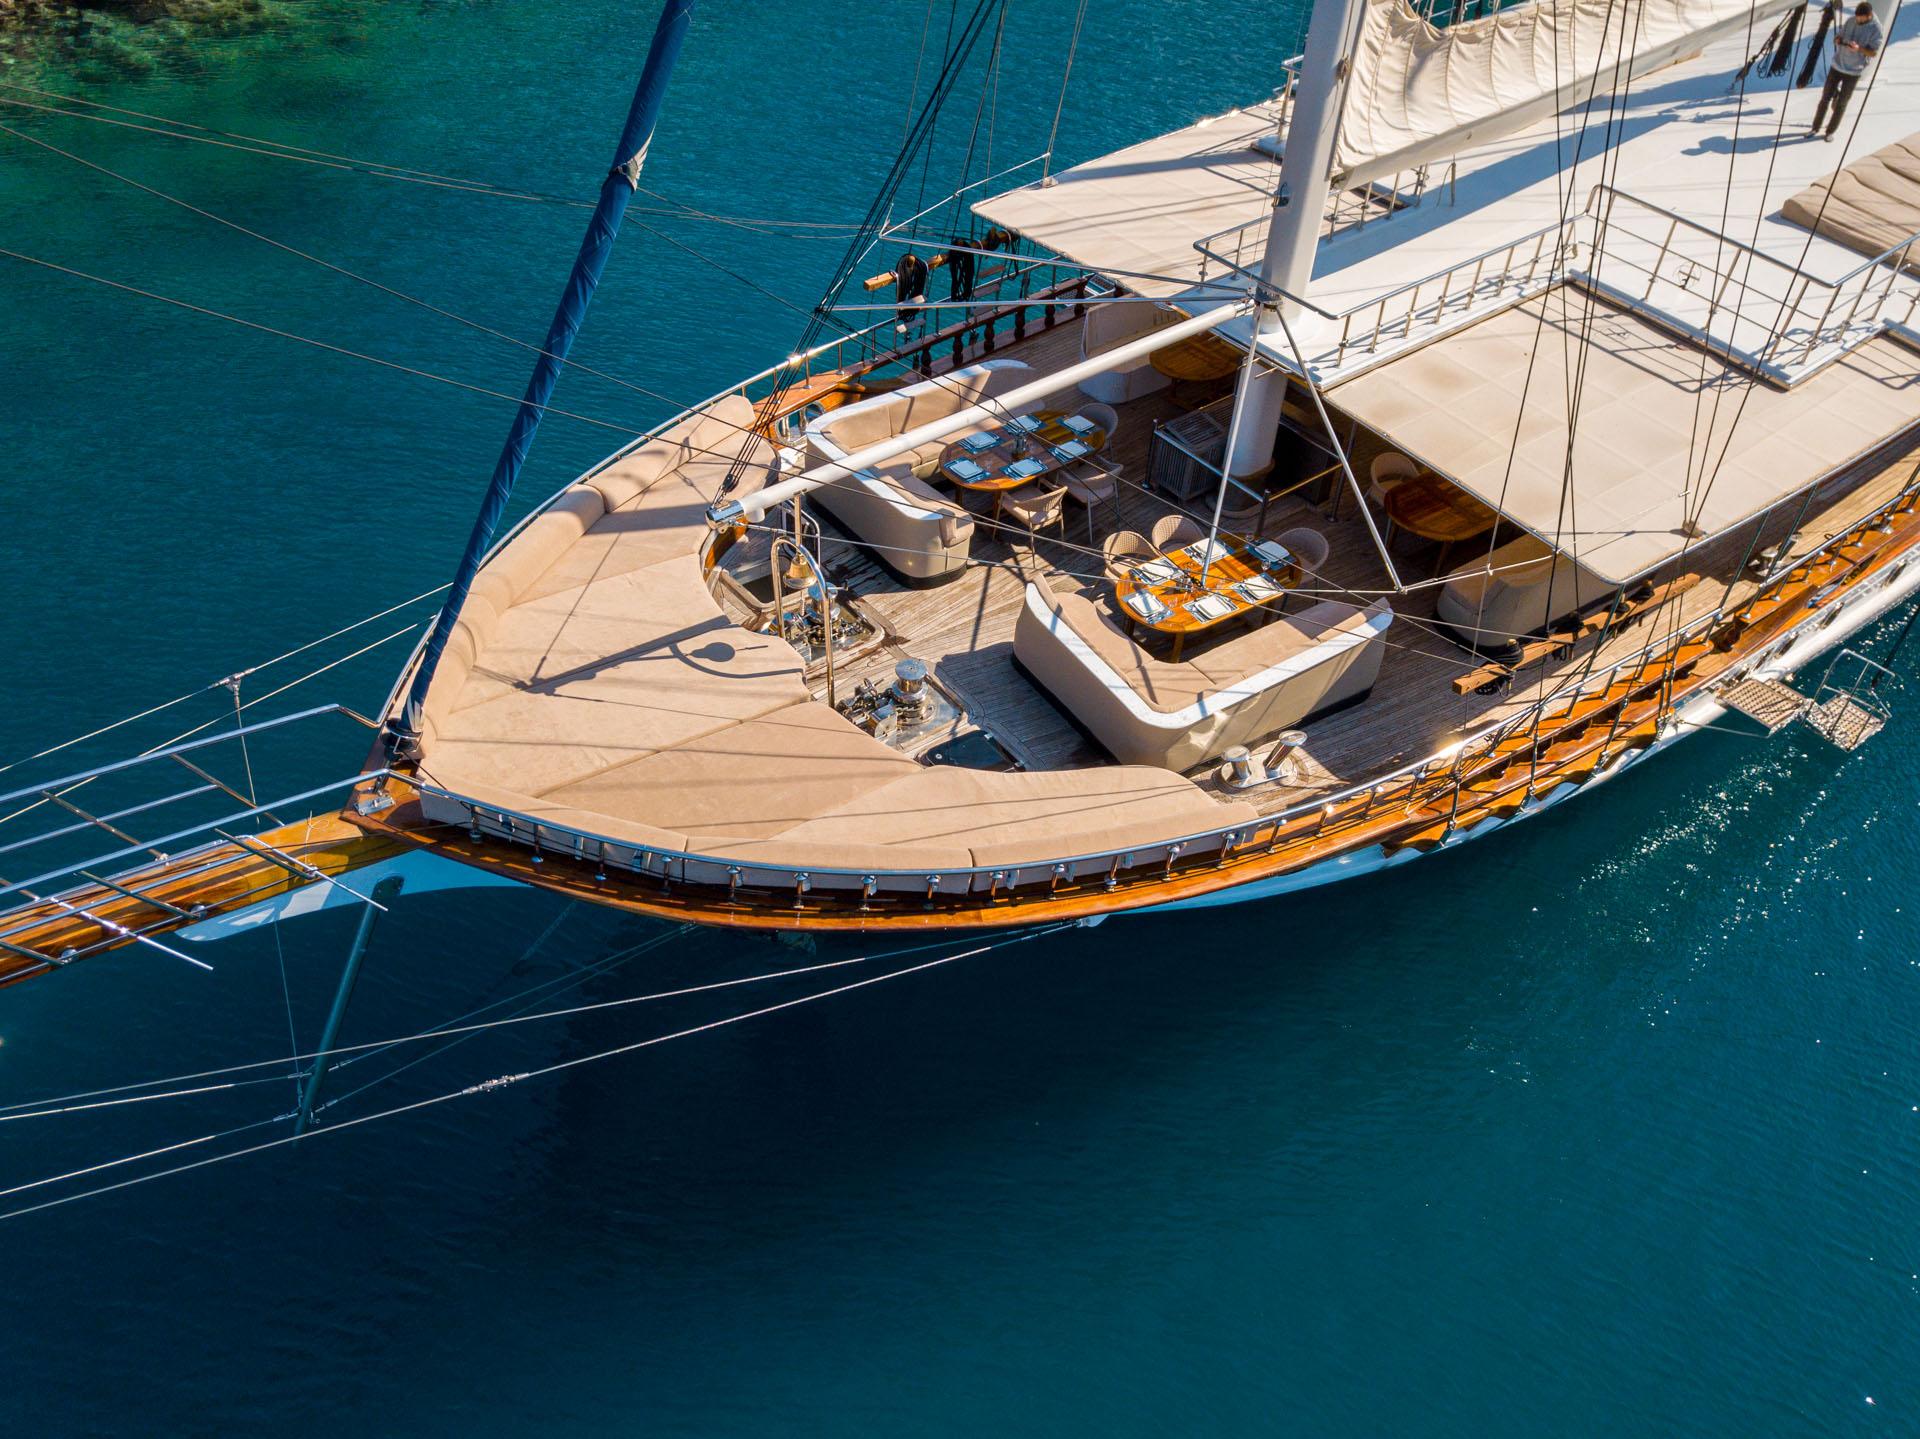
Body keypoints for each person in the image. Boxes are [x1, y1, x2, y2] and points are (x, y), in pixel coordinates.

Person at [1812, 1, 1884, 140]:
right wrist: (1838, 40)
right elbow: (1838, 36)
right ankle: (1815, 127)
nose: (1857, 20)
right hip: (1837, 65)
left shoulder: (1876, 29)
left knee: (1842, 103)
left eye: (1860, 19)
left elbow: (1873, 53)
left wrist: (1859, 49)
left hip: (1853, 72)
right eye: (1856, 18)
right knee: (1824, 98)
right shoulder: (1851, 21)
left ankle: (1830, 132)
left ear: (1869, 16)